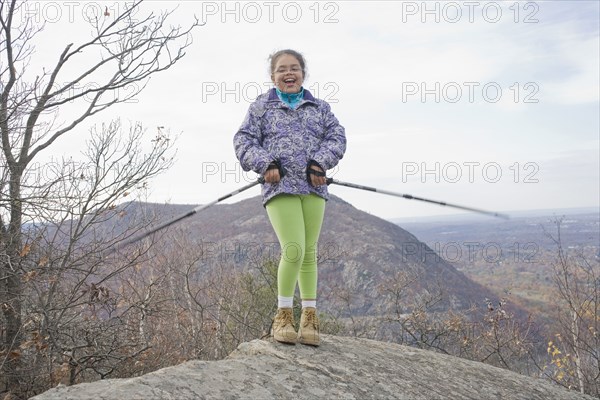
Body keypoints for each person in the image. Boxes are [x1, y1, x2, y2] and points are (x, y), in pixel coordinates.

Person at [233, 49, 346, 346]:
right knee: (294, 248)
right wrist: (265, 163)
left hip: (313, 187)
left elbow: (337, 138)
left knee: (309, 251)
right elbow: (243, 141)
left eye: (294, 68)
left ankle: (310, 318)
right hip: (279, 187)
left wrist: (320, 162)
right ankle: (283, 315)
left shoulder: (320, 107)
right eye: (282, 69)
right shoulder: (260, 107)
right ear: (273, 77)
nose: (289, 73)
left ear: (303, 73)